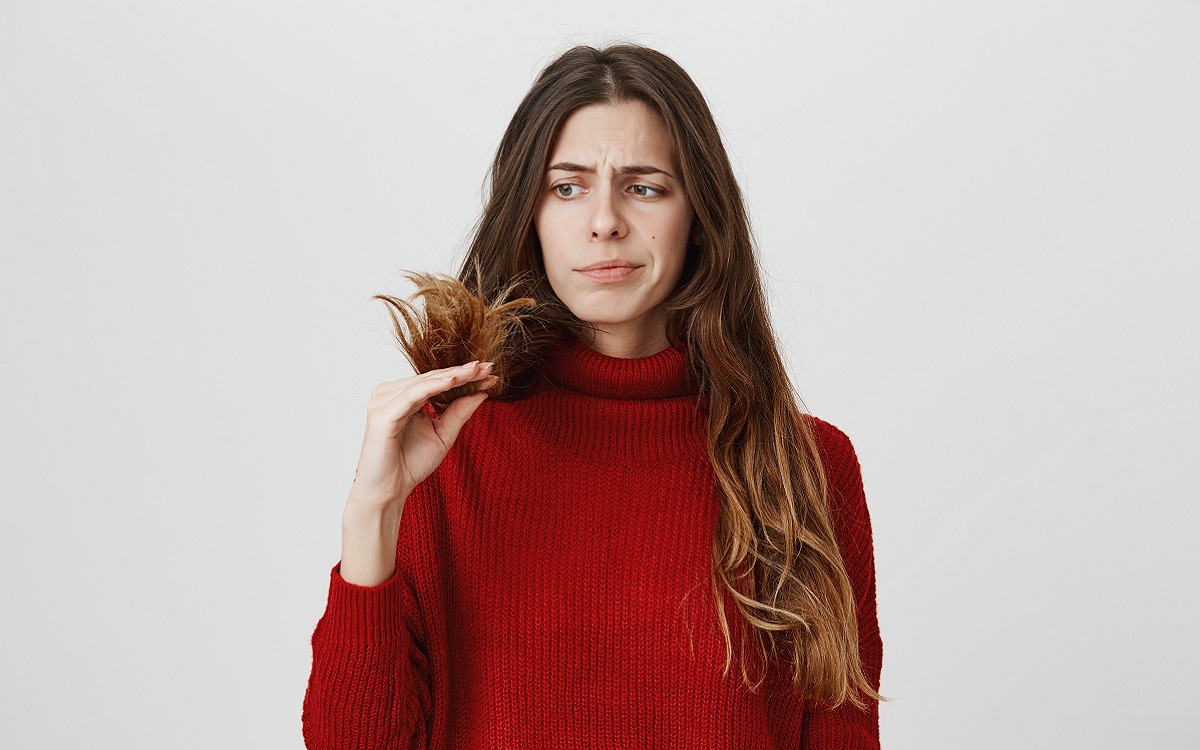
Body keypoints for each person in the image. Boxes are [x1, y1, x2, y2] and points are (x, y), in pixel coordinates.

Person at [302, 43, 884, 749]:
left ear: (699, 215)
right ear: (531, 215)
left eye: (644, 186)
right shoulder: (441, 453)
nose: (604, 220)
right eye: (567, 187)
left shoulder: (807, 468)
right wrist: (375, 512)